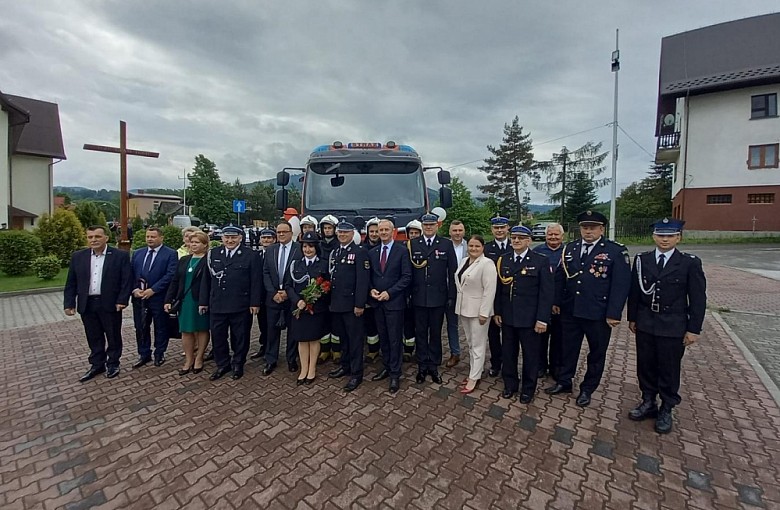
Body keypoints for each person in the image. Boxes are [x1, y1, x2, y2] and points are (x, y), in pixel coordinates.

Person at [627, 218, 706, 434]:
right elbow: (635, 292)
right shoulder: (643, 260)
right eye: (661, 235)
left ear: (678, 237)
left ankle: (667, 407)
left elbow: (698, 299)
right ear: (654, 236)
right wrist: (632, 318)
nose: (664, 239)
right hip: (646, 323)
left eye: (670, 236)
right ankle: (648, 401)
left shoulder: (689, 263)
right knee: (646, 364)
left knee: (669, 368)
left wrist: (694, 329)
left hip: (673, 325)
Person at [547, 210, 630, 407]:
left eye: (592, 227)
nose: (588, 231)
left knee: (596, 353)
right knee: (568, 349)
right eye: (585, 227)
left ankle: (587, 388)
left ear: (601, 229)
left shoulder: (615, 251)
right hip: (571, 310)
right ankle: (565, 381)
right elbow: (560, 277)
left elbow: (621, 285)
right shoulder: (571, 248)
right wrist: (557, 301)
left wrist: (613, 312)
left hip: (598, 313)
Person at [64, 225, 133, 382]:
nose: (93, 240)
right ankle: (97, 364)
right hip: (87, 303)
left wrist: (122, 300)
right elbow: (71, 282)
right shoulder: (78, 256)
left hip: (110, 303)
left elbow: (126, 280)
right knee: (93, 336)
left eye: (97, 236)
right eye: (90, 237)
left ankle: (113, 363)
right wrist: (69, 303)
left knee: (113, 335)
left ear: (106, 238)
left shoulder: (119, 256)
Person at [495, 226, 554, 403]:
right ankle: (510, 384)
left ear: (529, 240)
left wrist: (542, 319)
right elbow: (499, 290)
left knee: (530, 356)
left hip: (530, 319)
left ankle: (528, 389)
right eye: (514, 237)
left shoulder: (540, 261)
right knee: (508, 353)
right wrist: (497, 311)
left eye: (521, 238)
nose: (516, 241)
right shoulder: (503, 260)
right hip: (508, 317)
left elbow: (546, 293)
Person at [199, 225, 262, 380]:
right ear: (222, 238)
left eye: (234, 237)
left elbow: (256, 281)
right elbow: (206, 280)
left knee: (240, 336)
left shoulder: (251, 255)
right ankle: (223, 364)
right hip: (217, 303)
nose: (230, 240)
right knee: (218, 336)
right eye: (227, 237)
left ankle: (238, 363)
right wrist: (203, 302)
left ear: (240, 238)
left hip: (240, 303)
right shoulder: (213, 254)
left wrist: (255, 303)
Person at [409, 213, 457, 384]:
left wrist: (452, 295)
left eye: (431, 225)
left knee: (436, 333)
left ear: (437, 226)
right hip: (418, 297)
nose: (428, 227)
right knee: (420, 332)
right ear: (422, 226)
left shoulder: (446, 244)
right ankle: (422, 365)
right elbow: (408, 273)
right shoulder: (413, 244)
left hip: (439, 297)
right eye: (425, 225)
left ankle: (434, 365)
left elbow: (452, 273)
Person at [367, 219, 412, 393]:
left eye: (386, 229)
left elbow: (406, 277)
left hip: (394, 302)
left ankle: (395, 374)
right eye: (380, 230)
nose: (383, 232)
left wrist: (390, 293)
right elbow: (369, 276)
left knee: (394, 339)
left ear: (393, 231)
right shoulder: (373, 252)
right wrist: (371, 290)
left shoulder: (401, 251)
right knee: (383, 337)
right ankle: (386, 366)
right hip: (377, 303)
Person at [327, 220, 370, 392]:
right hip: (338, 304)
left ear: (353, 234)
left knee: (355, 340)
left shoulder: (360, 252)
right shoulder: (337, 251)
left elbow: (362, 281)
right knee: (343, 338)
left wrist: (359, 304)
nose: (342, 235)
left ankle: (356, 374)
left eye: (345, 232)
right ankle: (345, 366)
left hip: (352, 305)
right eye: (340, 232)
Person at [454, 235, 497, 394]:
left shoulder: (487, 264)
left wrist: (484, 312)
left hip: (479, 311)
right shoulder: (464, 261)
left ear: (483, 248)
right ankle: (474, 372)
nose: (473, 249)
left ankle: (474, 377)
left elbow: (489, 290)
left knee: (478, 345)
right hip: (464, 308)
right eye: (471, 246)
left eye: (477, 246)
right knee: (471, 343)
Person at [286, 232, 331, 385]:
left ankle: (312, 369)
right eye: (305, 246)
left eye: (311, 247)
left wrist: (314, 297)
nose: (307, 250)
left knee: (313, 339)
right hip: (299, 309)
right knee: (302, 340)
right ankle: (303, 369)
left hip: (316, 309)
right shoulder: (295, 264)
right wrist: (297, 300)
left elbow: (328, 286)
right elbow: (288, 286)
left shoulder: (323, 264)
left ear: (316, 248)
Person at [130, 227, 178, 368]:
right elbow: (130, 274)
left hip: (159, 297)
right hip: (139, 298)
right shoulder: (138, 253)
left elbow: (170, 275)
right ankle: (144, 354)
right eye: (148, 236)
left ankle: (159, 353)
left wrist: (153, 290)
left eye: (153, 236)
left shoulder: (170, 254)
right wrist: (135, 289)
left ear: (161, 238)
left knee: (161, 327)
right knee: (141, 327)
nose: (150, 239)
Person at [164, 230, 210, 375]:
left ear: (205, 245)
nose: (193, 245)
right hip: (184, 300)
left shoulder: (208, 260)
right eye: (191, 242)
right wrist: (168, 299)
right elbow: (175, 280)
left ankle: (199, 358)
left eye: (197, 242)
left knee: (202, 329)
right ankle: (189, 359)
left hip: (201, 300)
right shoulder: (184, 260)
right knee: (186, 330)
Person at [262, 220, 302, 375]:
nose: (281, 235)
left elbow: (299, 272)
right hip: (273, 298)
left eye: (284, 232)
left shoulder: (299, 249)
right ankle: (270, 360)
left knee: (293, 330)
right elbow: (265, 272)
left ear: (291, 233)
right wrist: (273, 293)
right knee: (271, 330)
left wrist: (287, 292)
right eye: (278, 232)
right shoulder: (271, 249)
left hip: (291, 297)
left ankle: (291, 359)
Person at [532, 222, 565, 380]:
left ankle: (555, 367)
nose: (553, 237)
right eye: (550, 234)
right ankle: (540, 366)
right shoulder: (537, 252)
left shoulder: (568, 252)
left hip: (561, 303)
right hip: (541, 302)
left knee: (559, 338)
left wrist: (556, 302)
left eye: (556, 234)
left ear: (562, 236)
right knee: (540, 338)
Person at [484, 215, 512, 377]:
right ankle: (496, 363)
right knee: (493, 335)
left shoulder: (515, 245)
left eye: (502, 227)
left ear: (507, 228)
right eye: (496, 228)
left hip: (511, 298)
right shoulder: (487, 249)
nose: (499, 230)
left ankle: (509, 365)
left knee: (510, 336)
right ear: (492, 230)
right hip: (493, 297)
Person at [317, 214, 341, 363]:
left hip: (336, 288)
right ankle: (324, 350)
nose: (327, 230)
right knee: (323, 320)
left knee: (336, 320)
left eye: (330, 228)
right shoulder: (318, 245)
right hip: (321, 287)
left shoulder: (339, 245)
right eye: (325, 228)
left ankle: (337, 350)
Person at [250, 228, 276, 361]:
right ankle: (263, 346)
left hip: (272, 294)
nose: (266, 240)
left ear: (274, 239)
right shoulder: (257, 255)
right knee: (262, 323)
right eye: (264, 238)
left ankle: (271, 349)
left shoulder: (276, 254)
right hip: (260, 295)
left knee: (272, 325)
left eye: (269, 238)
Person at [445, 220, 467, 368]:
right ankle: (455, 353)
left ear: (463, 231)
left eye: (460, 230)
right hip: (447, 290)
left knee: (469, 325)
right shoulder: (444, 246)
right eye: (454, 230)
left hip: (467, 290)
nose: (457, 233)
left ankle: (475, 356)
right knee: (451, 323)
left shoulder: (471, 245)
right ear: (449, 232)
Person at [402, 220, 422, 362]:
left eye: (416, 233)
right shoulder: (403, 248)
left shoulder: (424, 247)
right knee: (407, 322)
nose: (413, 235)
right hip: (406, 292)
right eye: (411, 233)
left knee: (420, 324)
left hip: (420, 292)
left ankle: (420, 350)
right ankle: (408, 350)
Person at [362, 217, 382, 363]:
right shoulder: (362, 250)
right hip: (369, 292)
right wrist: (369, 289)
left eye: (377, 231)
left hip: (384, 293)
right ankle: (373, 350)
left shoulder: (386, 248)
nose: (374, 234)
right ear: (367, 232)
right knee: (370, 324)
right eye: (372, 231)